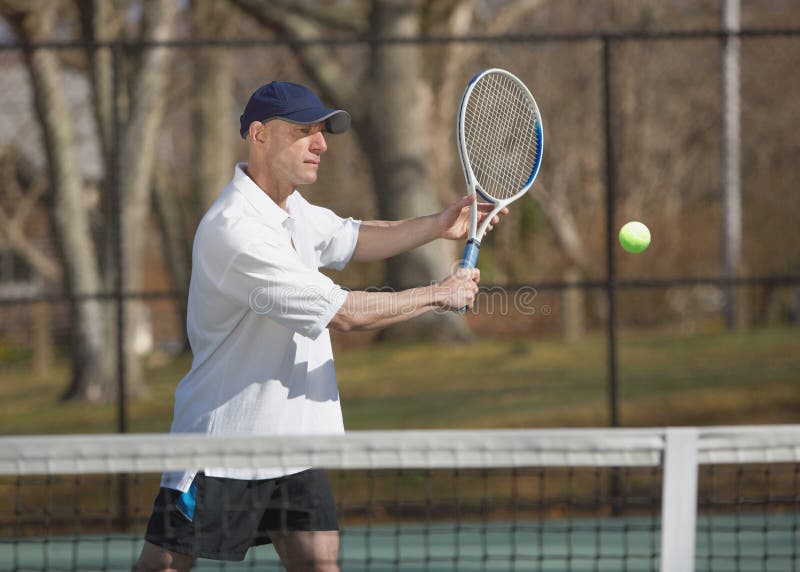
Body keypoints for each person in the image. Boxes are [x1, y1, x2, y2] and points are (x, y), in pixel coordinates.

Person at [135, 81, 505, 572]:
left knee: (318, 562)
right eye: (304, 130)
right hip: (226, 444)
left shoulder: (293, 211)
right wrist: (438, 294)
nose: (322, 143)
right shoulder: (236, 231)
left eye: (322, 130)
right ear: (260, 135)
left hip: (294, 440)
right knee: (164, 567)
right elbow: (345, 313)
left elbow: (355, 237)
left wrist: (440, 224)